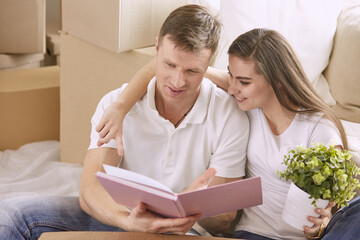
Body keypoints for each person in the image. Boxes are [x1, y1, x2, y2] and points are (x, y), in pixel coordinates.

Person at [0, 5, 250, 239]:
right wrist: (128, 220)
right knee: (11, 214)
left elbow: (225, 220)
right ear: (156, 49)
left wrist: (194, 206)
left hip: (186, 231)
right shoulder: (117, 105)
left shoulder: (228, 115)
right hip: (122, 217)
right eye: (169, 64)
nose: (177, 81)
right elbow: (89, 190)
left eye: (192, 71)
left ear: (209, 66)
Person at [95, 28, 360, 240]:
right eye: (232, 76)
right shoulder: (246, 105)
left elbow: (327, 209)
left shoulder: (319, 129)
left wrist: (321, 223)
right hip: (254, 234)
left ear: (277, 80)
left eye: (243, 82)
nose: (232, 89)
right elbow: (165, 65)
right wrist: (120, 106)